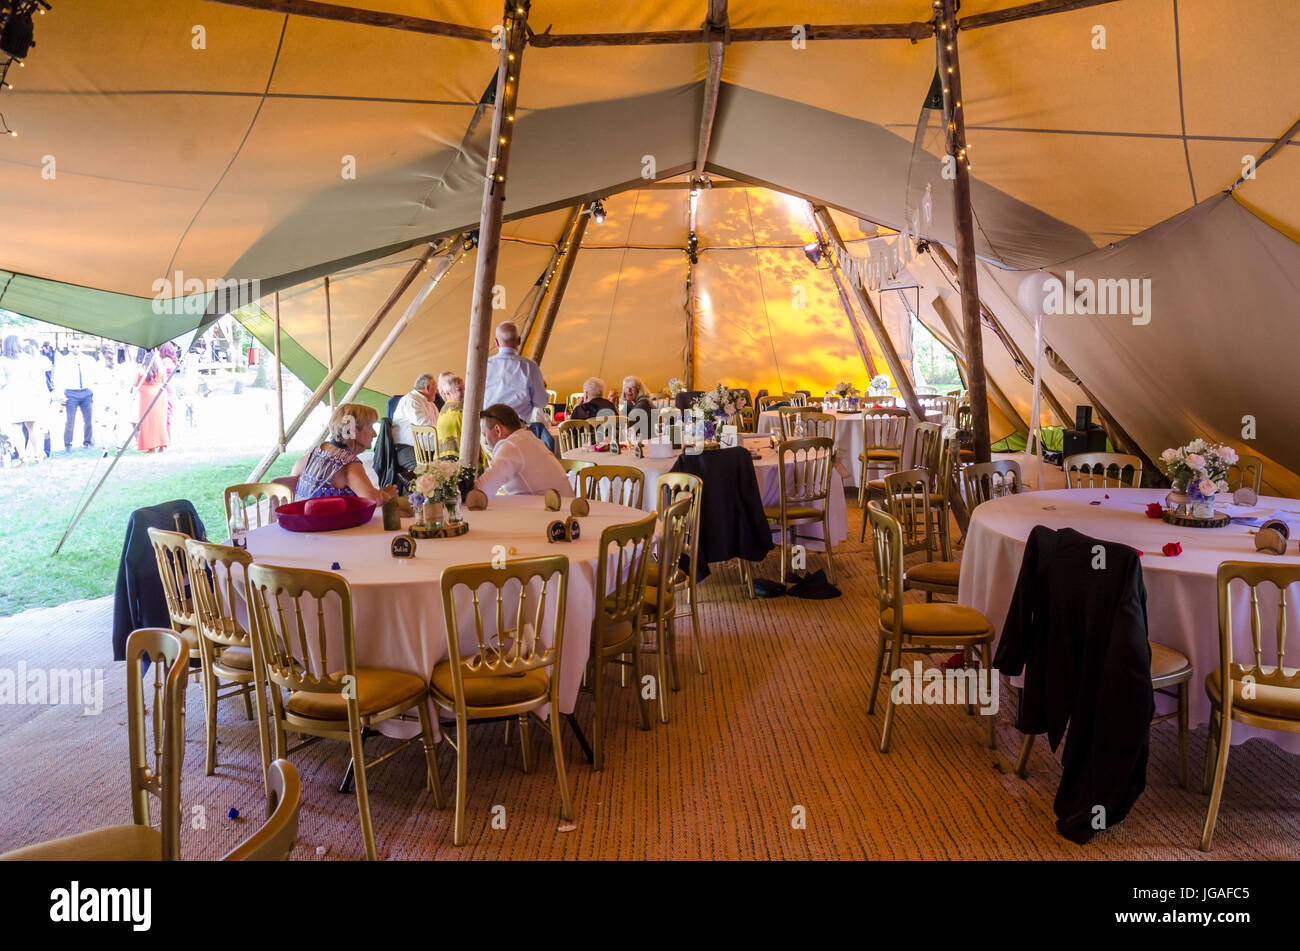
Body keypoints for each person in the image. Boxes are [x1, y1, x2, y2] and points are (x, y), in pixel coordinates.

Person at [292, 403, 398, 503]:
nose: (374, 434)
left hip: (302, 519)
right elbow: (373, 500)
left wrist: (380, 493)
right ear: (352, 431)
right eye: (370, 427)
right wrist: (387, 496)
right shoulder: (348, 463)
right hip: (327, 521)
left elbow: (293, 476)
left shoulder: (315, 451)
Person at [474, 403, 572, 498]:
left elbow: (481, 489)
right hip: (562, 507)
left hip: (554, 511)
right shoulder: (527, 438)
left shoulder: (511, 446)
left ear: (498, 430)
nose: (485, 442)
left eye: (485, 435)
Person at [483, 321, 546, 422]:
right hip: (517, 425)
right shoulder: (530, 366)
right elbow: (541, 402)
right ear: (519, 340)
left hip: (489, 425)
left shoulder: (485, 365)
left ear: (496, 342)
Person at [2, 336, 47, 464]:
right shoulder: (28, 359)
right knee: (31, 427)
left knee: (16, 428)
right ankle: (38, 455)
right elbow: (35, 377)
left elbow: (2, 381)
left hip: (12, 397)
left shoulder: (3, 360)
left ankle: (23, 457)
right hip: (29, 395)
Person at [391, 372, 440, 471]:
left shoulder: (431, 403)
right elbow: (426, 428)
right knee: (426, 473)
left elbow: (439, 424)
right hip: (407, 448)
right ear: (427, 388)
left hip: (427, 449)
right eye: (435, 387)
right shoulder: (411, 400)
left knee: (449, 468)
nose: (437, 391)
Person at [53, 346, 96, 451]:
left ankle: (88, 442)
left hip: (86, 391)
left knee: (88, 419)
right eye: (73, 346)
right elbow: (58, 378)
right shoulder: (63, 361)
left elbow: (94, 376)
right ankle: (68, 444)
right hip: (71, 392)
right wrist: (60, 395)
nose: (75, 348)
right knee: (70, 420)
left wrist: (92, 390)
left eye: (77, 346)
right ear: (70, 347)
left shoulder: (88, 360)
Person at [136, 353, 169, 453]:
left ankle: (151, 447)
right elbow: (164, 381)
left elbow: (136, 383)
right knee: (160, 421)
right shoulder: (160, 369)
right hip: (160, 395)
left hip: (147, 396)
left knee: (148, 422)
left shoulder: (142, 370)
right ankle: (162, 446)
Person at [436, 372, 464, 461]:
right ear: (447, 393)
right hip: (458, 459)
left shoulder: (444, 408)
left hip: (441, 458)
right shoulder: (461, 408)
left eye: (464, 389)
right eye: (460, 389)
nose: (464, 392)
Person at [621, 375, 654, 441]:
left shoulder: (644, 403)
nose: (628, 390)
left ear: (639, 390)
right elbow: (621, 420)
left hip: (646, 441)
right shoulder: (630, 402)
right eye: (626, 387)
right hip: (635, 439)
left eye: (632, 387)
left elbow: (627, 423)